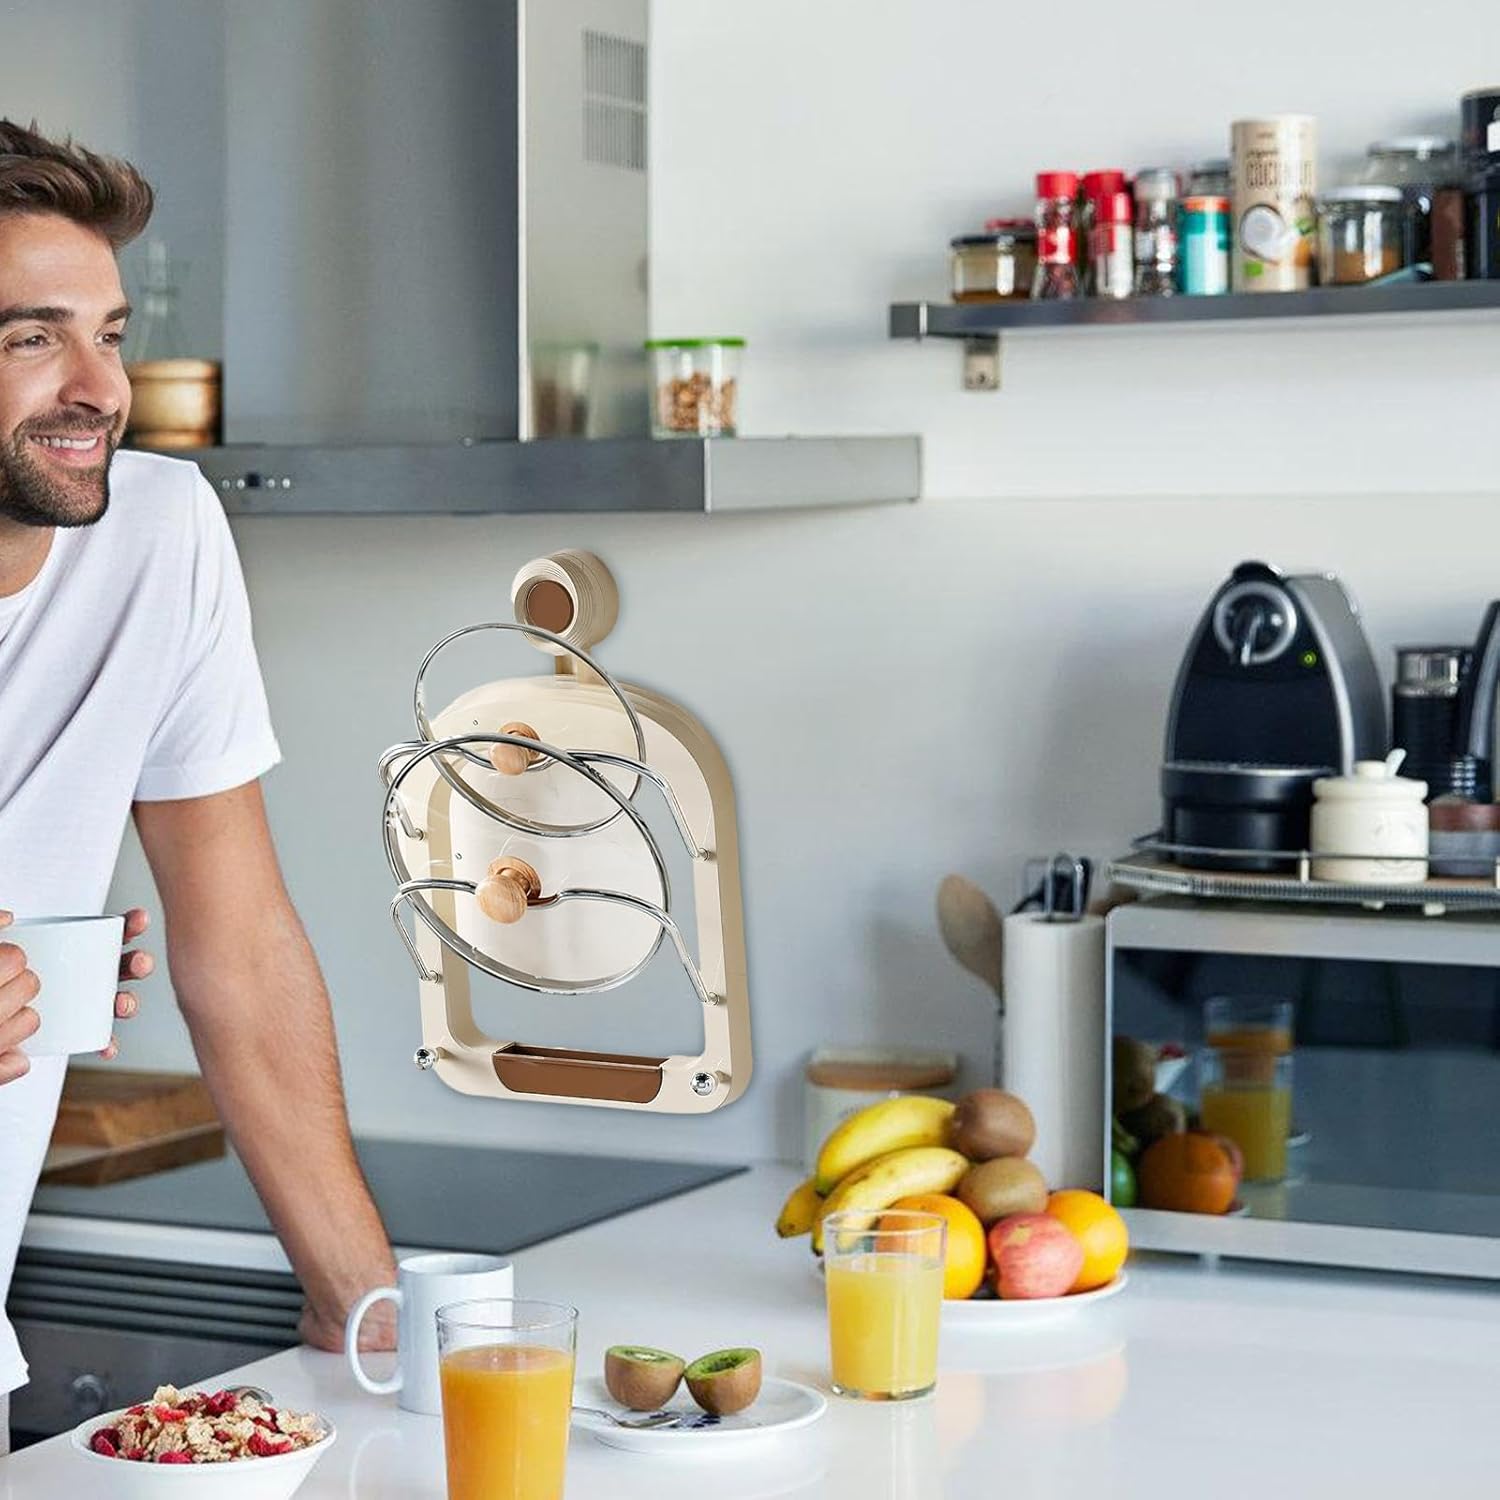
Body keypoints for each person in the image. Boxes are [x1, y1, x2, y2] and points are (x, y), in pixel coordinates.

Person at [0, 120, 396, 1449]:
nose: (95, 388)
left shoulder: (155, 537)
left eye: (107, 333)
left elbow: (240, 946)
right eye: (27, 338)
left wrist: (362, 1310)